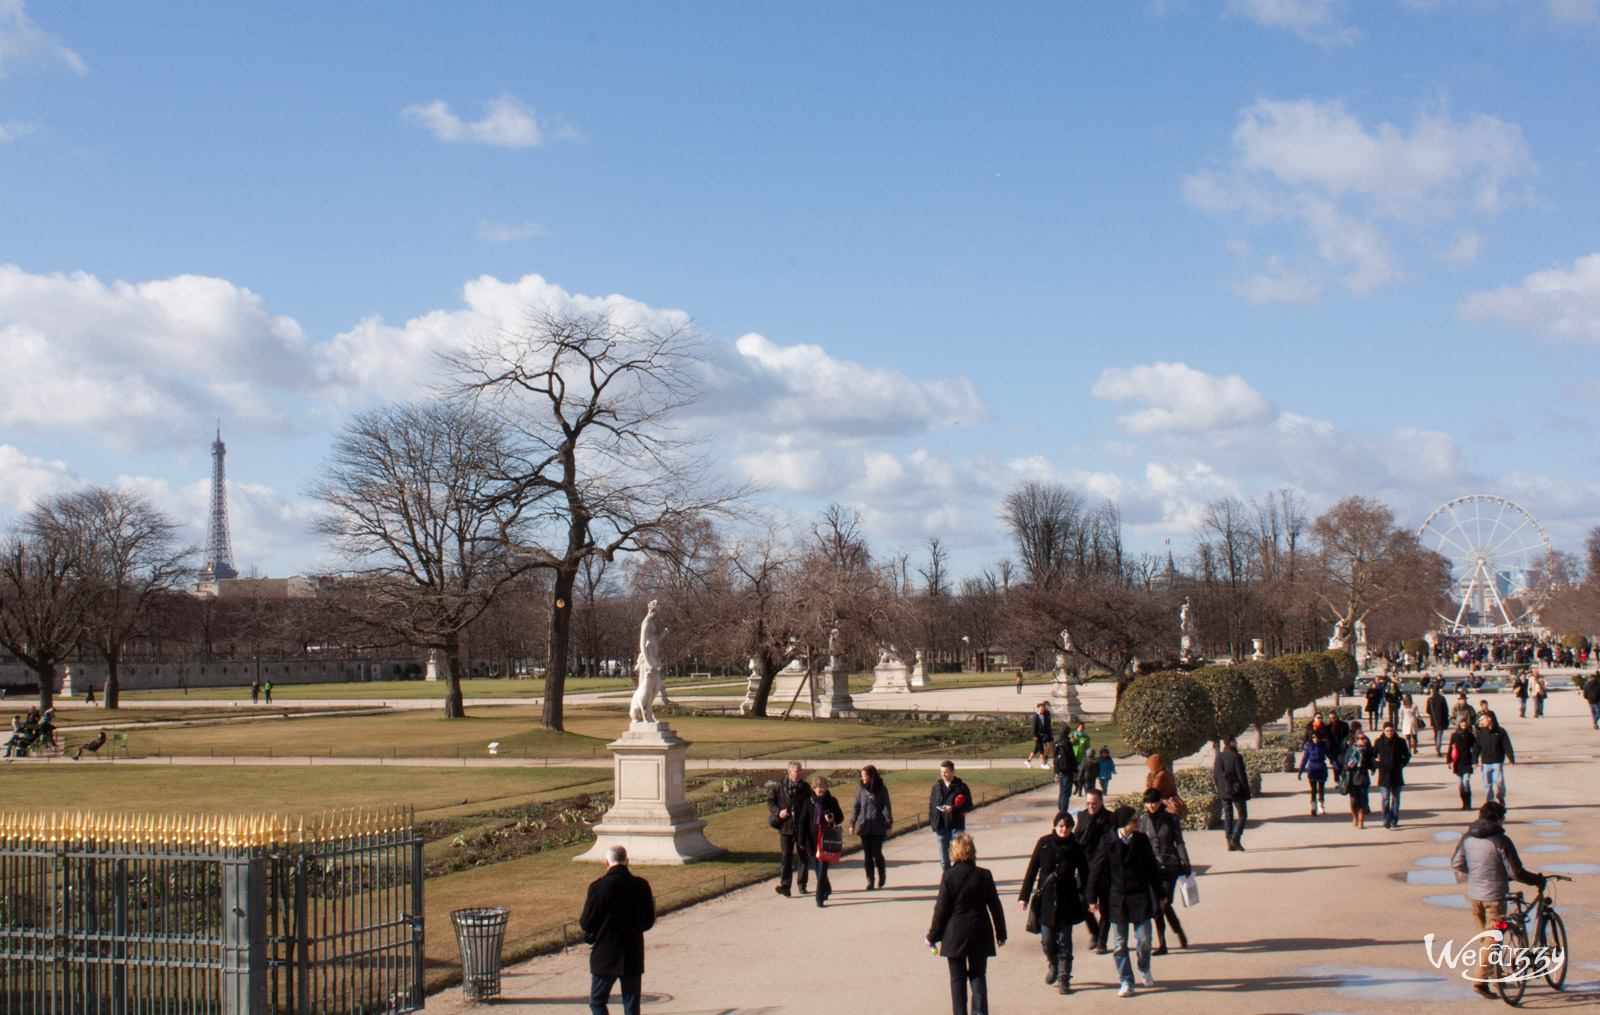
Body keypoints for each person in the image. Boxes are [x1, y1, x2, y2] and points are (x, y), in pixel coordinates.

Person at [1450, 801, 1546, 999]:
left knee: (1486, 940)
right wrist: (1536, 880)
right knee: (1492, 941)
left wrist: (1477, 872)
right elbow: (1516, 872)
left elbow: (1456, 862)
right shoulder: (1501, 840)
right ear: (1497, 818)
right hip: (1494, 896)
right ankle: (1480, 981)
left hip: (1474, 895)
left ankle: (1494, 974)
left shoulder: (1467, 836)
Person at [926, 832, 1006, 1015]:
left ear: (953, 852)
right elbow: (996, 907)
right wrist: (1001, 933)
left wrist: (932, 936)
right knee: (978, 975)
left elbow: (941, 911)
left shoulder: (948, 877)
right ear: (973, 852)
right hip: (980, 932)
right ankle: (979, 1011)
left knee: (957, 979)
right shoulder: (984, 875)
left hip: (956, 934)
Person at [1088, 805, 1162, 997]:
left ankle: (1143, 966)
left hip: (1140, 896)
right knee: (1120, 945)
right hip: (1117, 899)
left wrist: (1161, 894)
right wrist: (1091, 897)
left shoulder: (1142, 840)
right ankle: (1126, 980)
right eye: (1135, 821)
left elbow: (1152, 869)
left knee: (1145, 939)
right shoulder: (1108, 841)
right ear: (1123, 823)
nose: (1138, 824)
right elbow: (1095, 870)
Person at [1019, 811, 1091, 994]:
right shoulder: (1044, 844)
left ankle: (1064, 978)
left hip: (1068, 901)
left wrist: (1090, 898)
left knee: (1066, 942)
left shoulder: (1076, 848)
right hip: (1046, 901)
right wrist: (1024, 896)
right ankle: (1053, 963)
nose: (1064, 829)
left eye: (1067, 826)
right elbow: (1032, 870)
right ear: (1055, 826)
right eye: (1061, 826)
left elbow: (1085, 874)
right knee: (1048, 941)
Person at [579, 845, 656, 1015]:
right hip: (632, 952)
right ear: (627, 862)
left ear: (607, 863)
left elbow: (586, 923)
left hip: (606, 953)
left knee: (597, 1001)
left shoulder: (598, 887)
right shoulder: (642, 885)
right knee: (631, 1006)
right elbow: (648, 921)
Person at [1138, 788, 1190, 953]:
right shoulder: (1143, 821)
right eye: (1147, 802)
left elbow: (1179, 842)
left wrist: (1186, 862)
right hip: (1151, 868)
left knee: (1164, 904)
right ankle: (1162, 944)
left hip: (1169, 867)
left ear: (1160, 801)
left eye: (1153, 801)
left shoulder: (1171, 819)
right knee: (1155, 908)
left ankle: (1178, 930)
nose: (1151, 805)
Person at [1073, 790, 1116, 953]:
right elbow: (1076, 838)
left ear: (1101, 802)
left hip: (1104, 869)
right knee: (1082, 902)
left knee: (1105, 907)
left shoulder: (1110, 818)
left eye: (1094, 803)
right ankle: (1095, 932)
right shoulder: (1083, 817)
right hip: (1085, 867)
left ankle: (1102, 941)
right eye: (1088, 803)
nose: (1090, 806)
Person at [767, 762, 813, 896]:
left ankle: (802, 884)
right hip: (786, 826)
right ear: (789, 772)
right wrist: (778, 812)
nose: (800, 774)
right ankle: (785, 886)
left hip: (801, 827)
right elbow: (771, 801)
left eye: (801, 771)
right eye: (797, 771)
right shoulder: (779, 786)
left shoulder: (805, 788)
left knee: (803, 856)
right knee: (786, 856)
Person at [801, 775, 844, 907]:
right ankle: (827, 887)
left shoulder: (831, 801)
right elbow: (802, 823)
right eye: (819, 787)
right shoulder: (808, 802)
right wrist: (802, 841)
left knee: (822, 870)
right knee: (817, 870)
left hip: (826, 841)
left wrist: (831, 818)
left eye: (824, 787)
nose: (821, 790)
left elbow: (840, 817)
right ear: (813, 788)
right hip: (812, 841)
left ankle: (819, 898)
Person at [849, 764, 892, 890]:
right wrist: (852, 823)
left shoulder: (882, 789)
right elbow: (856, 807)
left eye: (864, 776)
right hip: (864, 826)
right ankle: (870, 880)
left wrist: (889, 824)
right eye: (861, 776)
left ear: (871, 776)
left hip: (878, 825)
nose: (862, 779)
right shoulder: (861, 790)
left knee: (876, 852)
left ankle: (881, 873)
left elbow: (886, 807)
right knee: (867, 855)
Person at [929, 760, 973, 871]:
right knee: (944, 860)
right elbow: (932, 805)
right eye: (942, 772)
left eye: (946, 772)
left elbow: (968, 805)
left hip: (956, 826)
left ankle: (960, 878)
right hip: (941, 827)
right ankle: (948, 881)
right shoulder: (937, 787)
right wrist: (933, 821)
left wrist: (952, 809)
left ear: (953, 772)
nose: (944, 775)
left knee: (959, 857)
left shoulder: (961, 787)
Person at [1213, 735, 1250, 850]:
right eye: (1235, 741)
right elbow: (1241, 776)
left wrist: (1219, 788)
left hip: (1224, 791)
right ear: (1232, 743)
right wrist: (1246, 792)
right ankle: (1235, 837)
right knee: (1242, 814)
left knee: (1228, 815)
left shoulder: (1219, 756)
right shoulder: (1236, 757)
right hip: (1236, 791)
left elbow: (1216, 775)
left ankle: (1229, 841)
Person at [1372, 721, 1410, 829]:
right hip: (1384, 774)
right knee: (1385, 798)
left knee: (1396, 798)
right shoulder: (1379, 742)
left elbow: (1407, 755)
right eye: (1387, 731)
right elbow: (1373, 755)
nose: (1389, 733)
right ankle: (1385, 819)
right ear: (1384, 731)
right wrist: (1377, 765)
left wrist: (1401, 765)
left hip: (1396, 774)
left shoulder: (1400, 742)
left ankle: (1394, 819)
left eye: (1391, 731)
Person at [1298, 724, 1340, 816]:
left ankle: (1321, 805)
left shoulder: (1323, 745)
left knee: (1321, 788)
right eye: (1313, 737)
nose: (1315, 739)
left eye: (1317, 737)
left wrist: (1337, 767)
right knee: (1313, 789)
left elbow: (1331, 757)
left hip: (1321, 768)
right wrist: (1300, 771)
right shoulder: (1308, 746)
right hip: (1312, 769)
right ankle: (1313, 806)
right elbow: (1304, 759)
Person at [1474, 713, 1515, 807]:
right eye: (1480, 721)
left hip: (1497, 761)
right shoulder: (1480, 732)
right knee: (1487, 784)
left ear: (1489, 719)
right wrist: (1474, 760)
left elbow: (1507, 745)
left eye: (1483, 720)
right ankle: (1489, 801)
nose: (1481, 722)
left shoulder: (1500, 731)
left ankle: (1501, 797)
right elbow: (1476, 747)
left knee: (1499, 781)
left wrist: (1511, 758)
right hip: (1485, 762)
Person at [1341, 732, 1375, 828]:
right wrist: (1349, 765)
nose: (1364, 740)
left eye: (1365, 738)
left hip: (1363, 778)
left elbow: (1371, 764)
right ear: (1356, 740)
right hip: (1353, 778)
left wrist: (1372, 766)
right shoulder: (1351, 750)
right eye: (1362, 738)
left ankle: (1361, 821)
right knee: (1353, 801)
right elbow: (1345, 764)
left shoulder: (1368, 751)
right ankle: (1354, 816)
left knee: (1363, 801)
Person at [1447, 714, 1478, 810]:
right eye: (1462, 722)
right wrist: (1448, 761)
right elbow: (1450, 749)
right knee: (1460, 784)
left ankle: (1468, 804)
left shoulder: (1471, 735)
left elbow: (1475, 749)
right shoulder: (1455, 735)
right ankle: (1463, 802)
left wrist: (1474, 761)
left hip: (1468, 761)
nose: (1464, 724)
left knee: (1466, 781)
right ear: (1459, 724)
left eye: (1465, 722)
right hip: (1458, 762)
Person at [1051, 726, 1078, 813]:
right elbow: (1071, 757)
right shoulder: (1066, 743)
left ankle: (1061, 809)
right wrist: (1075, 770)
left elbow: (1054, 758)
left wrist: (1056, 771)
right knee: (1066, 792)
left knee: (1062, 791)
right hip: (1067, 770)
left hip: (1060, 770)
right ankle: (1064, 810)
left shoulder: (1057, 742)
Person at [1425, 685, 1450, 757]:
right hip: (1441, 719)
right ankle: (1438, 747)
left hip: (1433, 720)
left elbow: (1427, 711)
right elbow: (1446, 710)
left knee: (1435, 734)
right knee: (1439, 734)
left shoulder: (1430, 699)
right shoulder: (1442, 698)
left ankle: (1437, 745)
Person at [1069, 722, 1093, 796]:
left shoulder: (1085, 737)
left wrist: (1088, 758)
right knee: (1073, 775)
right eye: (1079, 726)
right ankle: (1076, 786)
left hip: (1081, 758)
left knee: (1080, 775)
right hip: (1073, 757)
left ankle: (1080, 789)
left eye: (1082, 727)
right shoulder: (1072, 735)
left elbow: (1088, 748)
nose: (1081, 728)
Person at [1026, 702, 1051, 768]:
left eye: (1043, 708)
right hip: (1038, 735)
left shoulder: (1044, 715)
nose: (1042, 709)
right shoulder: (1036, 717)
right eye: (1041, 708)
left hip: (1043, 734)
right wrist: (1034, 735)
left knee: (1036, 749)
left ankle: (1028, 761)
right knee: (1041, 749)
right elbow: (1034, 727)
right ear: (1038, 709)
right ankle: (1044, 763)